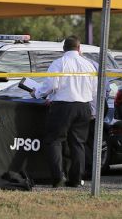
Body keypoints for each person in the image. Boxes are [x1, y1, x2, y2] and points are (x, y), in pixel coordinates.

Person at [31, 36, 97, 188]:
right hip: (83, 106)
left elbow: (51, 85)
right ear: (79, 48)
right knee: (78, 144)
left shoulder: (58, 63)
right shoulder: (89, 65)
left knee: (55, 140)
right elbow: (94, 91)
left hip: (63, 106)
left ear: (63, 49)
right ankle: (76, 179)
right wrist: (92, 110)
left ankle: (58, 177)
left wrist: (37, 93)